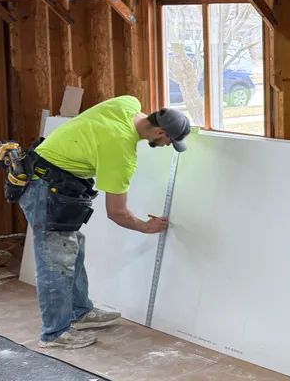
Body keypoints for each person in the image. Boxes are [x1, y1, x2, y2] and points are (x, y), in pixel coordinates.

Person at [18, 96, 190, 350]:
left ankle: (80, 311)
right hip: (45, 189)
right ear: (160, 131)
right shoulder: (121, 152)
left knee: (71, 248)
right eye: (169, 141)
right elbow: (117, 212)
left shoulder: (127, 105)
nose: (167, 145)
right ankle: (54, 333)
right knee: (56, 261)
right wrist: (146, 226)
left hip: (47, 178)